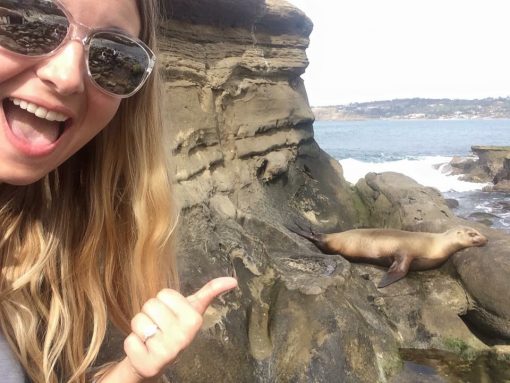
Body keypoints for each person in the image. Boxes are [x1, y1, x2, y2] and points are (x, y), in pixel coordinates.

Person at [0, 0, 238, 382]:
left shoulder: (40, 245)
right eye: (28, 21)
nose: (67, 77)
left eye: (113, 57)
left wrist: (132, 373)